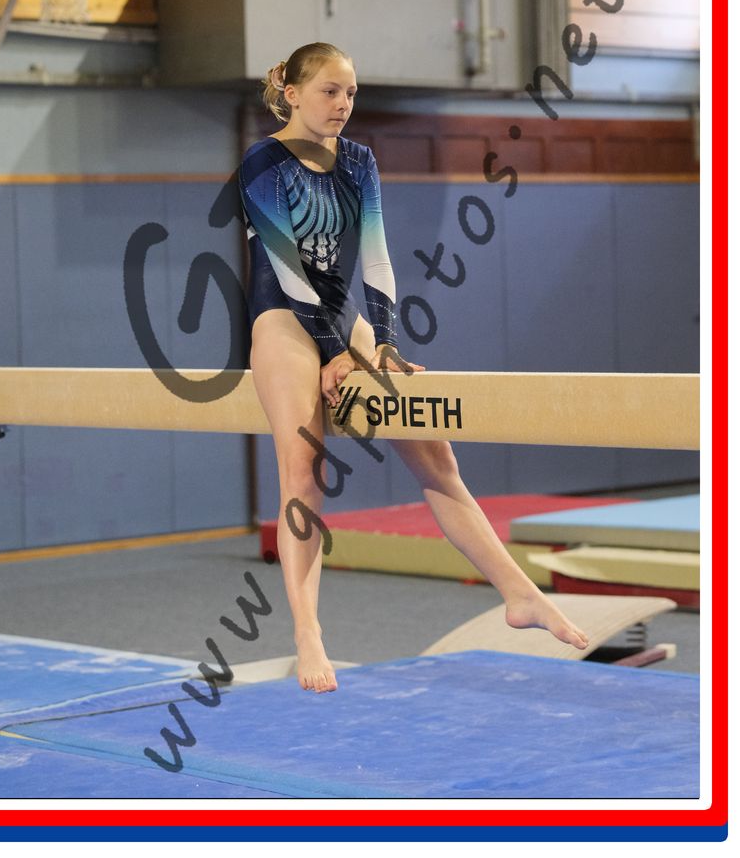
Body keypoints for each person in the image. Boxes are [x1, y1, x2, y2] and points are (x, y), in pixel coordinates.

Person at [238, 42, 589, 693]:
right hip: (281, 317)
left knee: (436, 457)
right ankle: (308, 630)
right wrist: (332, 351)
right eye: (329, 91)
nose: (343, 104)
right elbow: (286, 268)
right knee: (303, 468)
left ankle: (519, 594)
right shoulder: (264, 160)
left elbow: (376, 258)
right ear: (291, 93)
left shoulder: (359, 161)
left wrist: (380, 345)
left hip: (347, 316)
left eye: (351, 92)